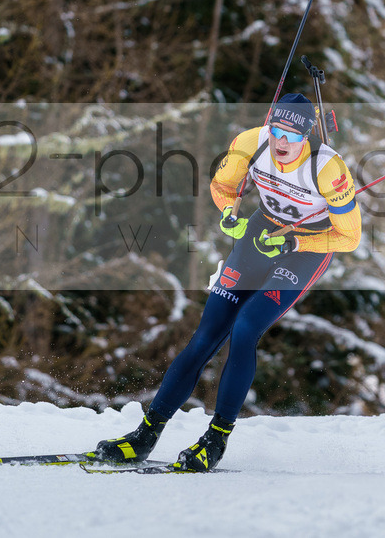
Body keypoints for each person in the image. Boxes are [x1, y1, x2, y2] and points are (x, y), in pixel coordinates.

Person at [87, 93, 361, 472]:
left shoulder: (328, 168)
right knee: (206, 334)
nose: (282, 143)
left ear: (307, 137)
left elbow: (349, 237)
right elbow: (223, 187)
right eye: (277, 131)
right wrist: (230, 211)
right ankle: (144, 436)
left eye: (292, 137)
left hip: (307, 247)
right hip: (262, 231)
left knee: (246, 329)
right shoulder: (251, 142)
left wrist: (296, 240)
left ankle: (215, 440)